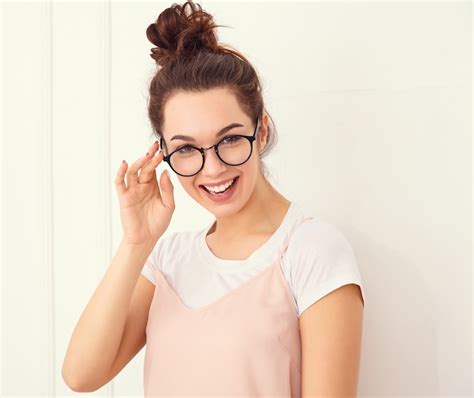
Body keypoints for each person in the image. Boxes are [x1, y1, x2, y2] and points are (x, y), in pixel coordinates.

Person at [61, 1, 365, 397]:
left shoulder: (312, 251)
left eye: (229, 139)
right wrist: (136, 243)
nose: (213, 169)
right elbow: (81, 376)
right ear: (164, 153)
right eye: (187, 149)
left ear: (261, 131)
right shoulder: (167, 260)